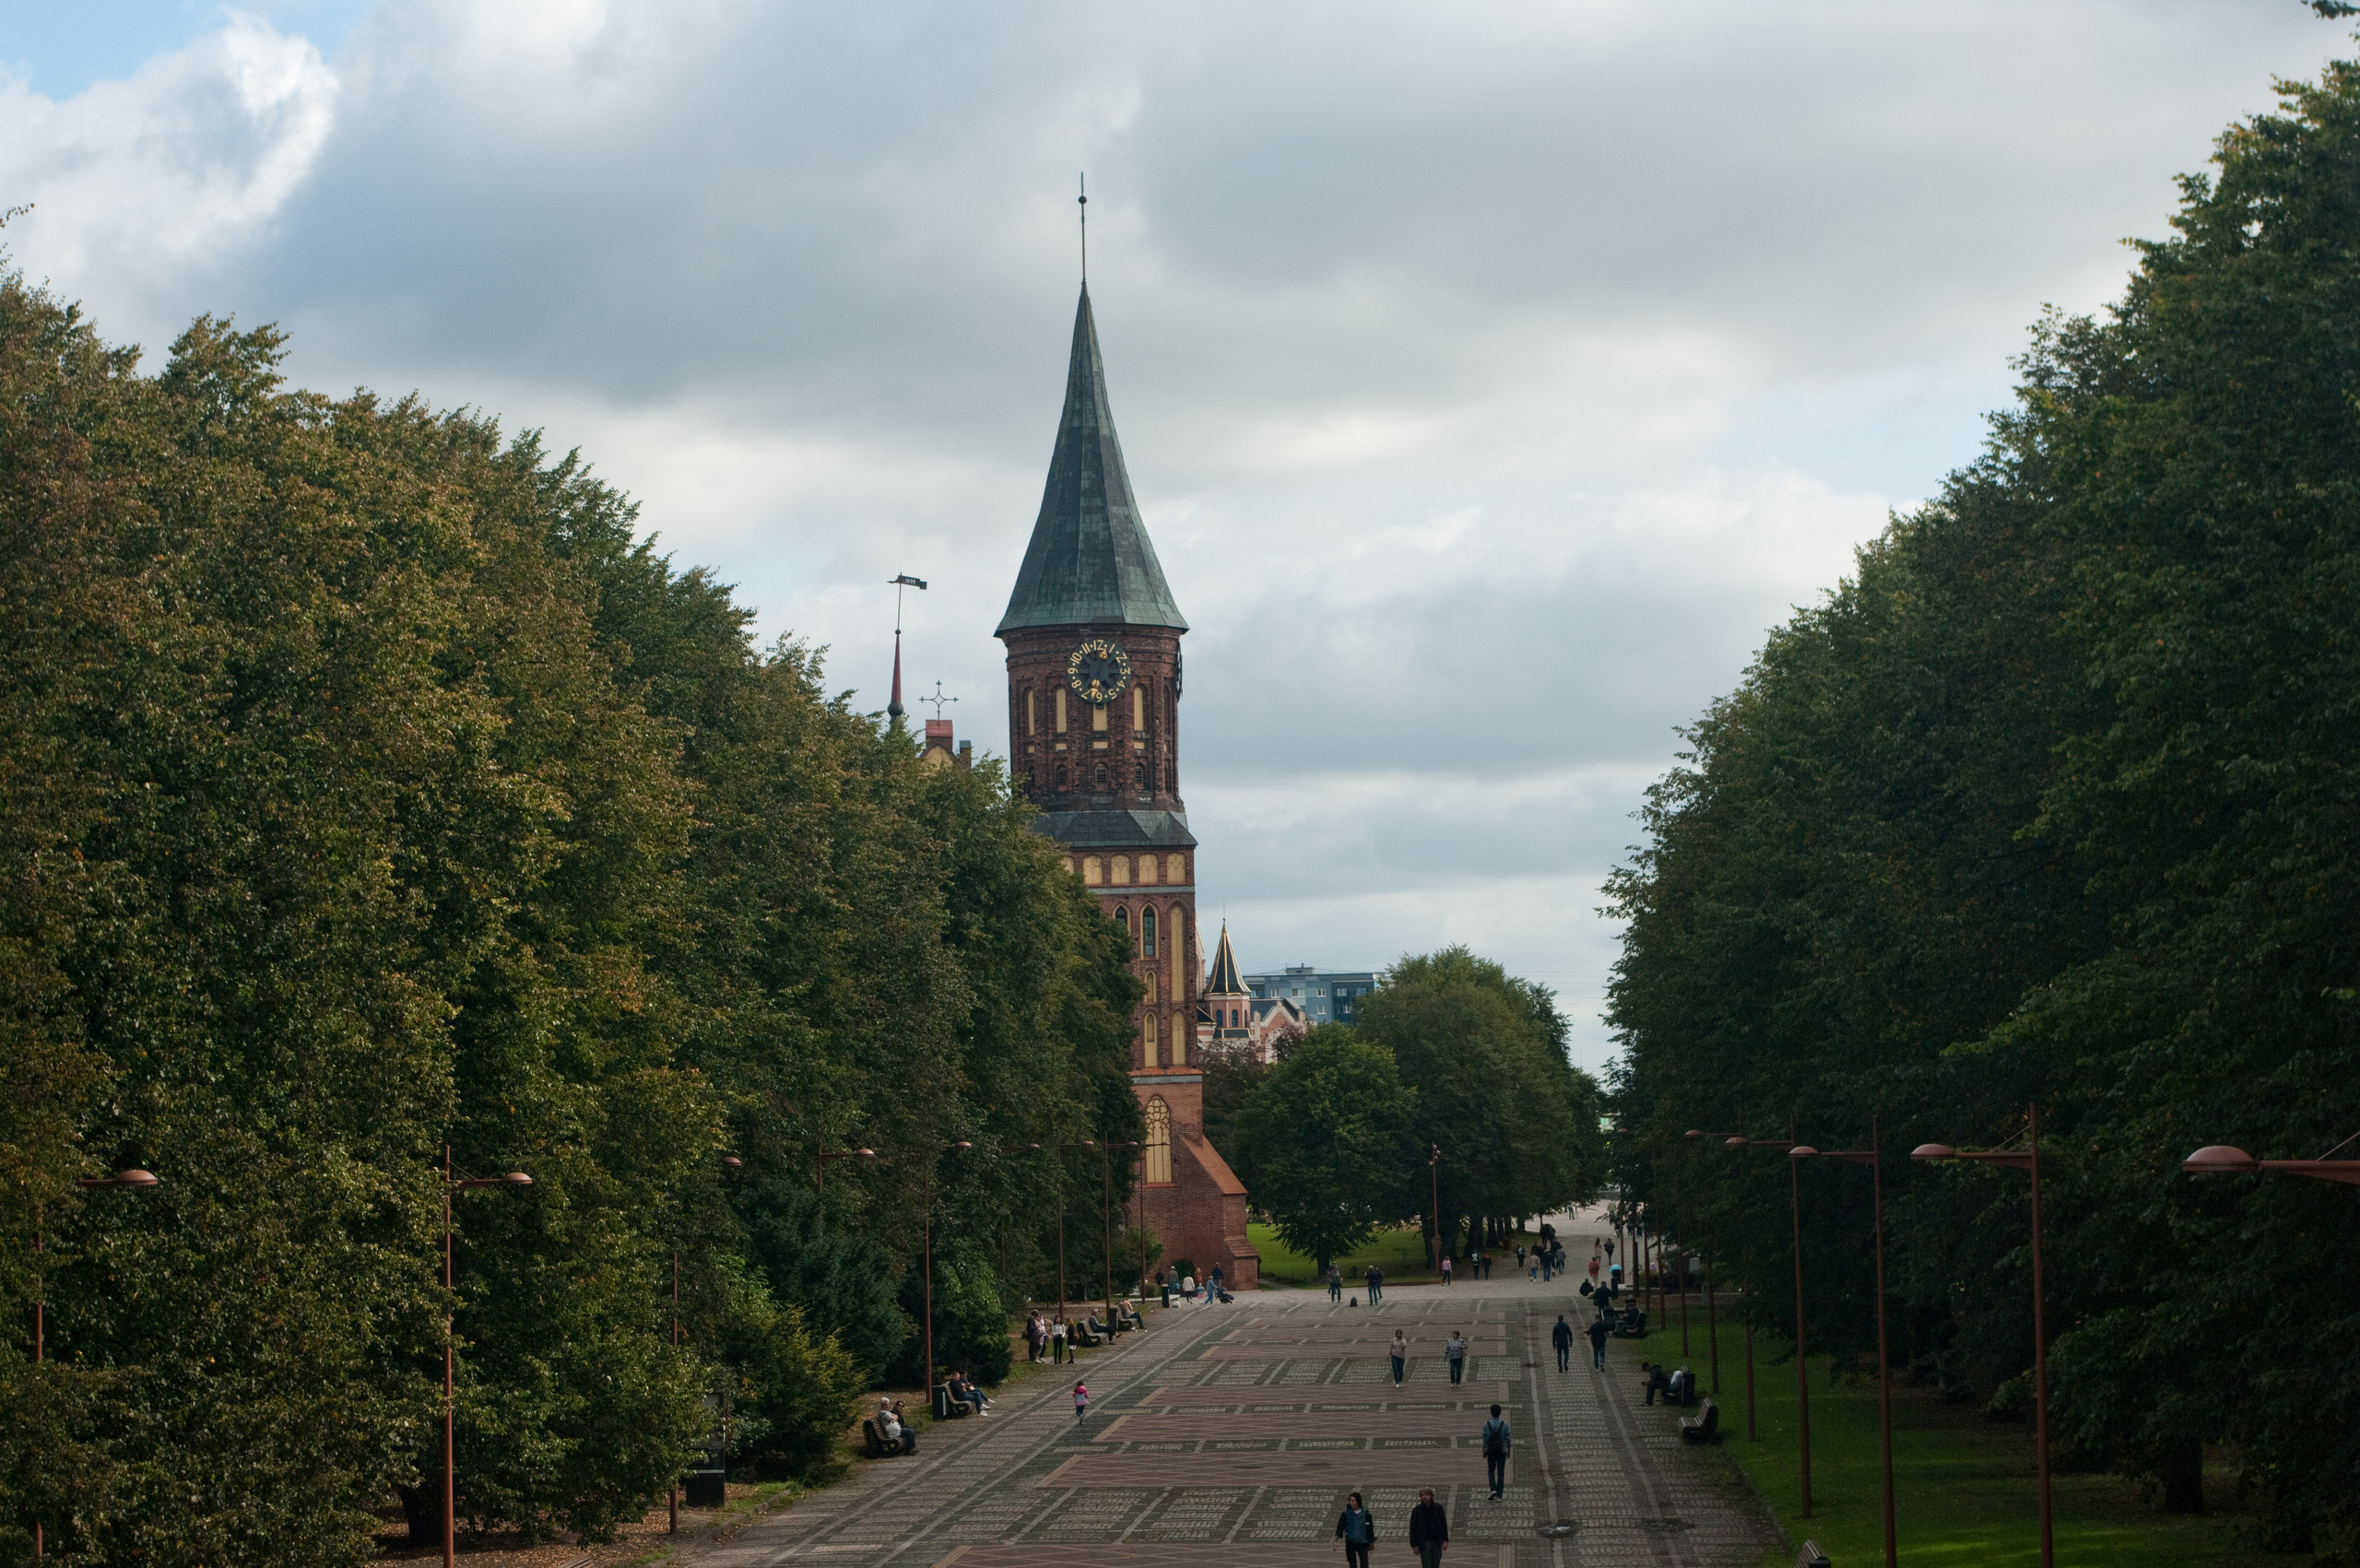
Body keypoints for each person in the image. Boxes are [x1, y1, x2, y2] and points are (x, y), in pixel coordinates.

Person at [1408, 1486, 1449, 1567]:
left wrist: (1445, 1540)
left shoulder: (1438, 1508)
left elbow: (1443, 1524)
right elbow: (1413, 1529)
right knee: (1426, 1564)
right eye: (1422, 1495)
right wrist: (1414, 1545)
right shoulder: (1417, 1511)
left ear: (1431, 1496)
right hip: (1424, 1543)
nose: (1424, 1497)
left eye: (1426, 1495)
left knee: (1435, 1563)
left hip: (1436, 1542)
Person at [1335, 1490, 1376, 1568]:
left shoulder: (1366, 1513)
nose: (1351, 1503)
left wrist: (1371, 1542)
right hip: (1351, 1542)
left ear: (1358, 1502)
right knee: (1352, 1563)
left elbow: (1370, 1529)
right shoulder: (1346, 1514)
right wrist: (1336, 1541)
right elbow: (1340, 1527)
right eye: (1350, 1501)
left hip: (1363, 1542)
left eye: (1353, 1501)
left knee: (1364, 1562)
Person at [1481, 1403, 1512, 1501]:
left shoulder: (1487, 1425)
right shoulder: (1504, 1424)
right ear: (1500, 1413)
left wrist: (1484, 1451)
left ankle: (1493, 1489)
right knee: (1501, 1472)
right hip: (1501, 1451)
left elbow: (1484, 1439)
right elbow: (1508, 1439)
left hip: (1491, 1451)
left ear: (1491, 1413)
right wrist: (1508, 1451)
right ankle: (1499, 1494)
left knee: (1491, 1471)